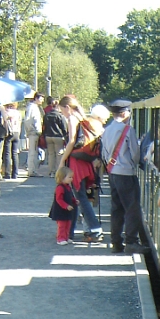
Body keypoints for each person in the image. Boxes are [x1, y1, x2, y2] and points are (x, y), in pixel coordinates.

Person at [100, 98, 143, 254]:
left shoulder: (107, 130)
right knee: (132, 208)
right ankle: (131, 241)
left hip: (112, 173)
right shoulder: (127, 130)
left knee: (116, 209)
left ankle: (116, 243)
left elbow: (104, 153)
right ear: (125, 113)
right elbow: (135, 153)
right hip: (126, 173)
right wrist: (133, 164)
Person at [58, 95, 103, 242]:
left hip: (76, 161)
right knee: (81, 196)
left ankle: (95, 229)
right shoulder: (82, 117)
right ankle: (77, 231)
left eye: (62, 110)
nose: (62, 113)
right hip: (85, 160)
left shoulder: (72, 118)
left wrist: (63, 159)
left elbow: (71, 141)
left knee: (80, 197)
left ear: (67, 107)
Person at [48, 164, 78, 245]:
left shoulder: (68, 187)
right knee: (62, 225)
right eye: (69, 177)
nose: (71, 179)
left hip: (67, 210)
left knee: (68, 224)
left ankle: (66, 237)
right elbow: (59, 199)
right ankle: (60, 238)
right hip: (60, 210)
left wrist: (74, 201)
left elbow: (70, 196)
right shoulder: (60, 188)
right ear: (62, 177)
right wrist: (66, 206)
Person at [43, 98, 68, 177]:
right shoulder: (60, 116)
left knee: (51, 154)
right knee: (59, 154)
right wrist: (65, 136)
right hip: (58, 136)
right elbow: (64, 127)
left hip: (48, 136)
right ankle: (58, 171)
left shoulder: (46, 115)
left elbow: (44, 126)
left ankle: (51, 171)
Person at [23, 92, 45, 177]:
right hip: (34, 132)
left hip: (33, 131)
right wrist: (34, 130)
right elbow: (29, 120)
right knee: (32, 151)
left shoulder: (33, 107)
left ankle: (32, 169)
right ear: (36, 98)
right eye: (41, 98)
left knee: (34, 151)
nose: (42, 100)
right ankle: (31, 170)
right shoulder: (33, 108)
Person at [2, 103, 22, 179]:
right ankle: (15, 173)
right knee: (15, 153)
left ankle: (7, 173)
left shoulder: (6, 112)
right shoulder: (18, 113)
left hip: (9, 133)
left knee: (7, 153)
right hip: (17, 132)